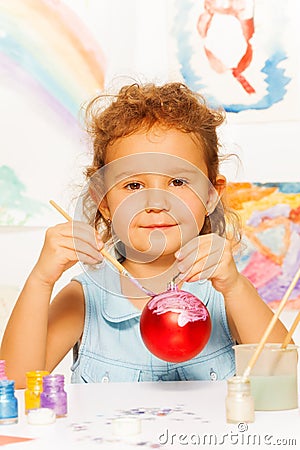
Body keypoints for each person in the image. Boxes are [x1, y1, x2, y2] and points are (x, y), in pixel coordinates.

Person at [0, 82, 288, 388]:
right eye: (133, 185)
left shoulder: (226, 292)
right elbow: (14, 386)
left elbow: (284, 378)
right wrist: (40, 280)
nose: (156, 203)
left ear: (210, 196)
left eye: (177, 181)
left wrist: (235, 287)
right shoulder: (85, 297)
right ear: (104, 202)